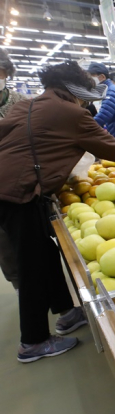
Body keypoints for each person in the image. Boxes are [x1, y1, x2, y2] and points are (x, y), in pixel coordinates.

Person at [0, 62, 115, 363]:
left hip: (16, 190)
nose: (86, 103)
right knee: (32, 266)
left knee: (46, 253)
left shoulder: (24, 106)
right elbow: (110, 146)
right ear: (74, 93)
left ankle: (67, 313)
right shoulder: (72, 113)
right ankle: (33, 341)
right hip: (21, 194)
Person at [0, 48, 25, 293]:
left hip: (24, 185)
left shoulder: (21, 103)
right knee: (5, 246)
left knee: (31, 246)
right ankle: (20, 288)